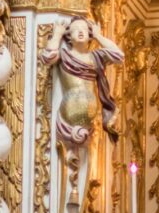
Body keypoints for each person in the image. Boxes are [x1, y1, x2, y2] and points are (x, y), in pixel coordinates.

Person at [41, 16, 123, 146]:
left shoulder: (95, 57)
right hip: (68, 117)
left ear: (89, 35)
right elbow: (48, 57)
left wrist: (98, 36)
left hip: (88, 121)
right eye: (76, 29)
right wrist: (57, 34)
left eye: (84, 29)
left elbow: (119, 56)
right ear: (68, 36)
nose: (80, 32)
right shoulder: (65, 55)